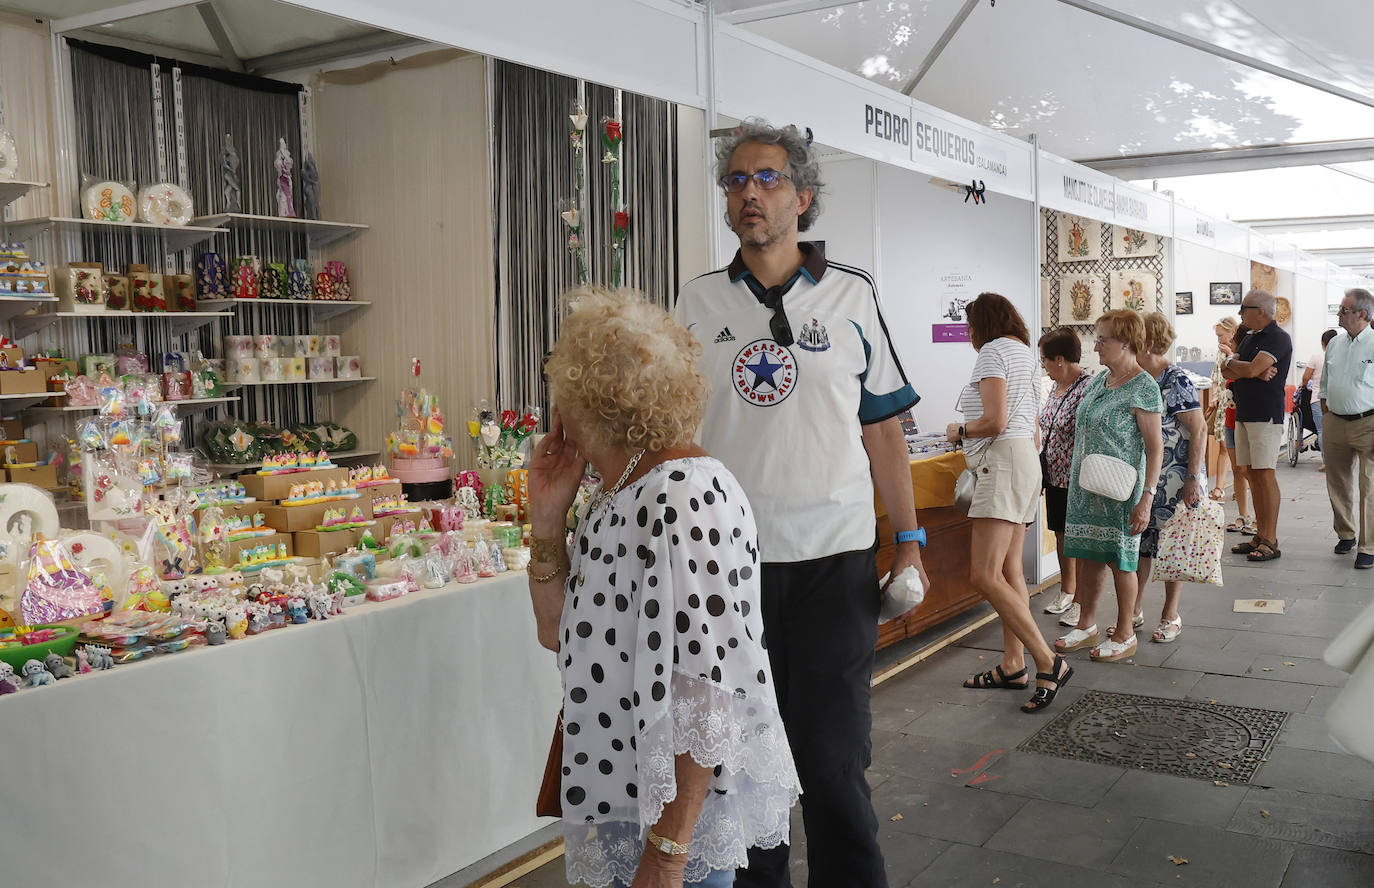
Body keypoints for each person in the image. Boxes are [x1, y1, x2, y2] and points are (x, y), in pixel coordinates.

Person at [674, 119, 926, 888]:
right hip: (725, 569)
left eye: (767, 178)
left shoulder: (852, 294)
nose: (749, 193)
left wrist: (909, 540)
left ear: (803, 196)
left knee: (832, 760)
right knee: (744, 770)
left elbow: (883, 430)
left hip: (833, 561)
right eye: (736, 182)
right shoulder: (696, 301)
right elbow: (675, 434)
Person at [527, 287, 801, 888]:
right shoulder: (621, 492)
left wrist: (669, 853)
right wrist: (547, 516)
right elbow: (557, 631)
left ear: (587, 399)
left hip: (666, 824)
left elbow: (709, 688)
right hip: (621, 800)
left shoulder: (680, 494)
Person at [947, 295, 1073, 711]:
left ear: (980, 324)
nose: (967, 335)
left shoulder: (991, 353)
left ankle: (1046, 659)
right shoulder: (1022, 353)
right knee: (1009, 569)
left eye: (969, 326)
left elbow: (993, 421)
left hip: (1001, 463)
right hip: (1023, 462)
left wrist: (959, 430)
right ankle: (1013, 663)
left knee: (984, 575)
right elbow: (1028, 424)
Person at [1056, 310, 1163, 663]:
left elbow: (1154, 447)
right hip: (1087, 486)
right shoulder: (1101, 381)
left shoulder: (1143, 385)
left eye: (1103, 339)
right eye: (1097, 338)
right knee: (1088, 555)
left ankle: (1125, 632)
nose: (1096, 345)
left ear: (1127, 343)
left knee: (1122, 560)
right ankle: (1087, 625)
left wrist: (1146, 498)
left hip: (1122, 489)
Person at [1135, 313, 1206, 643]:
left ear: (1148, 344)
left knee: (1171, 547)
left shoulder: (1175, 379)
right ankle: (1133, 610)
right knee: (1139, 547)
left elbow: (1199, 429)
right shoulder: (1138, 378)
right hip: (1146, 478)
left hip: (1175, 478)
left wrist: (1193, 478)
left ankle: (1170, 614)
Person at [1222, 289, 1293, 563]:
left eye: (1244, 308)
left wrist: (1246, 367)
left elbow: (1246, 370)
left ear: (1261, 310)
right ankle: (1260, 535)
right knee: (1249, 473)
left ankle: (1270, 539)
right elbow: (1227, 369)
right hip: (1244, 412)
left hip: (1265, 415)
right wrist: (1242, 365)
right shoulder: (1250, 337)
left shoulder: (1278, 338)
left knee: (1264, 475)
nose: (1241, 314)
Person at [1036, 327, 1092, 624]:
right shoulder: (1053, 388)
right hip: (1053, 474)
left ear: (1060, 359)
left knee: (1079, 537)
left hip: (1078, 477)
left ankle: (1082, 599)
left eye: (1045, 360)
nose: (1043, 366)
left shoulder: (1088, 387)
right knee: (1060, 532)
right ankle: (1067, 589)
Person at [1320, 288, 1374, 570]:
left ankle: (1368, 546)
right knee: (1337, 481)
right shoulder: (1335, 344)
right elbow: (1325, 384)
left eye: (1344, 310)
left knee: (1370, 486)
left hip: (1369, 423)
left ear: (1362, 314)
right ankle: (1346, 533)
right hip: (1336, 422)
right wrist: (1327, 411)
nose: (1339, 314)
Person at [1206, 317, 1240, 502]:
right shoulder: (1220, 352)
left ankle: (1239, 485)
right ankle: (1219, 487)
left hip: (1234, 402)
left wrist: (1230, 354)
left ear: (1231, 333)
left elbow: (1237, 372)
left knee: (1233, 447)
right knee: (1223, 446)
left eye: (1220, 335)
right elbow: (1215, 376)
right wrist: (1213, 395)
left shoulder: (1238, 349)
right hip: (1222, 403)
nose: (1218, 339)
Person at [1302, 328, 1339, 471]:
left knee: (1321, 430)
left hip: (1318, 398)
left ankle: (1326, 462)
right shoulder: (1341, 357)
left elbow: (1306, 378)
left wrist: (1303, 385)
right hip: (1337, 399)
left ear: (1323, 343)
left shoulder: (1317, 357)